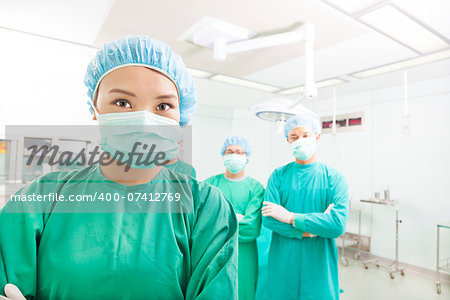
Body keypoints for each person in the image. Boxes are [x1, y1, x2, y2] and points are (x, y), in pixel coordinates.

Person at [0, 36, 238, 299]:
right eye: (123, 103)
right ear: (95, 107)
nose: (145, 120)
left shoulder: (205, 207)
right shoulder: (41, 200)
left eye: (163, 106)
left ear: (180, 117)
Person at [261, 108, 349, 300]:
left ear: (317, 137)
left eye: (305, 135)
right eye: (294, 136)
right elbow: (269, 220)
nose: (300, 140)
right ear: (288, 141)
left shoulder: (334, 179)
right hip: (284, 261)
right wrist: (308, 230)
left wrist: (291, 217)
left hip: (318, 263)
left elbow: (337, 225)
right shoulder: (278, 176)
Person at [205, 136, 264, 300]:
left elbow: (250, 229)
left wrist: (220, 221)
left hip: (244, 254)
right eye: (229, 152)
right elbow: (204, 224)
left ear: (247, 157)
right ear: (222, 155)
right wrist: (238, 218)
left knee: (243, 291)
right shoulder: (210, 185)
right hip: (215, 253)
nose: (234, 155)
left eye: (239, 152)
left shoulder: (255, 188)